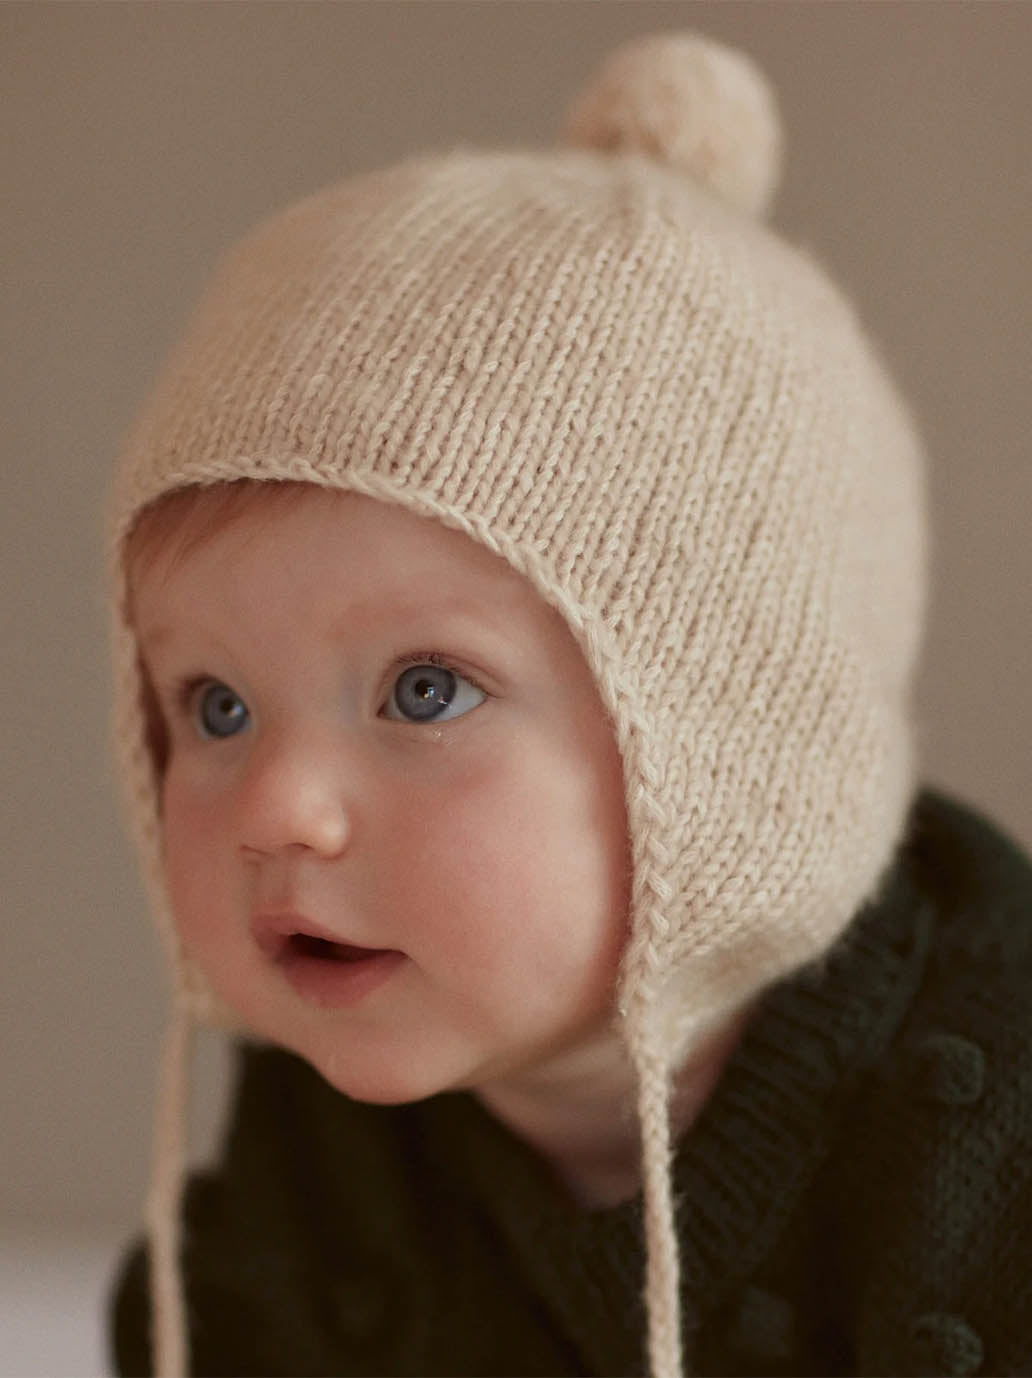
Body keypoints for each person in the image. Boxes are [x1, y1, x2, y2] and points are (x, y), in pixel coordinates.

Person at [104, 30, 1032, 1378]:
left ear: (723, 741)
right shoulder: (330, 1127)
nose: (276, 807)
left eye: (425, 688)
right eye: (217, 705)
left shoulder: (984, 1147)